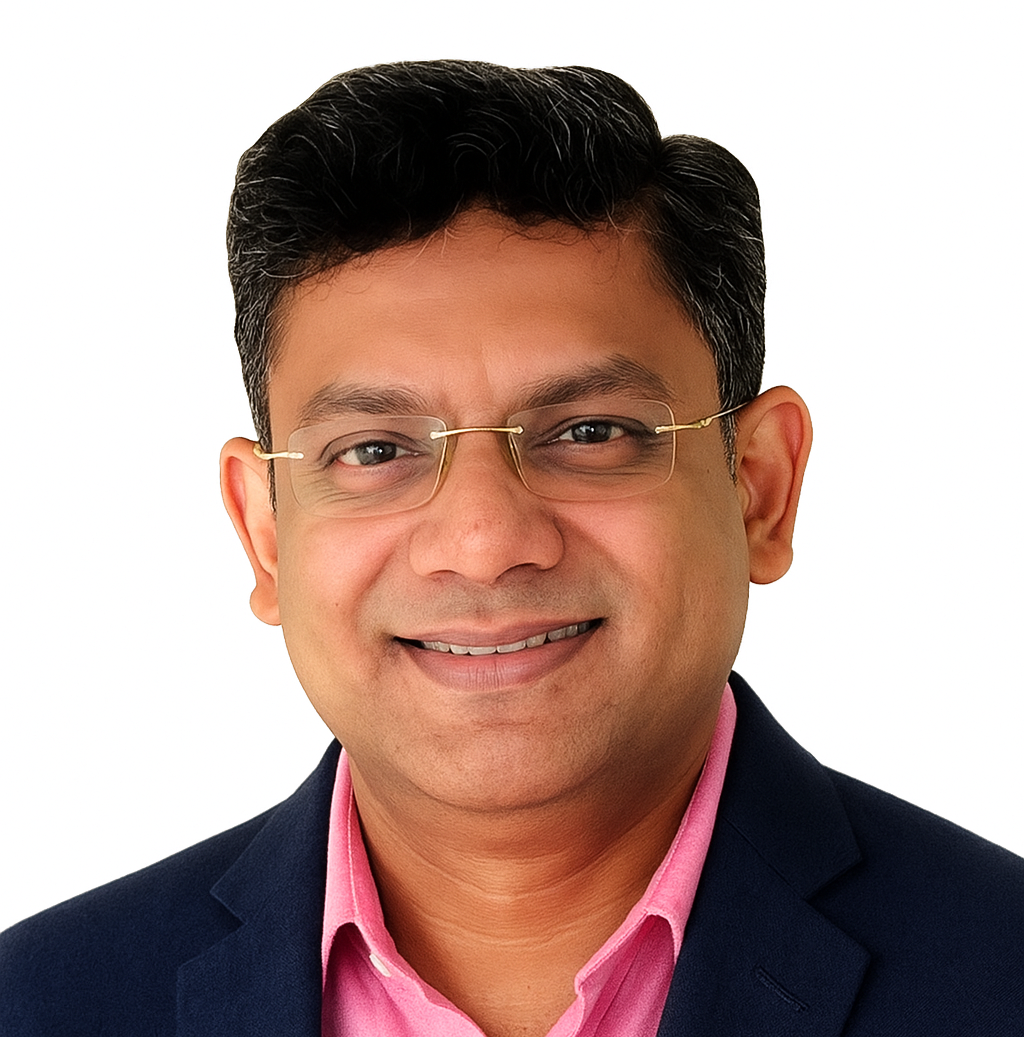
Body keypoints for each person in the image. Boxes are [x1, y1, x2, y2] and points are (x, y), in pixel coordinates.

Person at [2, 59, 1021, 1037]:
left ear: (760, 486)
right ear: (265, 530)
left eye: (590, 431)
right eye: (375, 449)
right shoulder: (40, 1003)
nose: (485, 542)